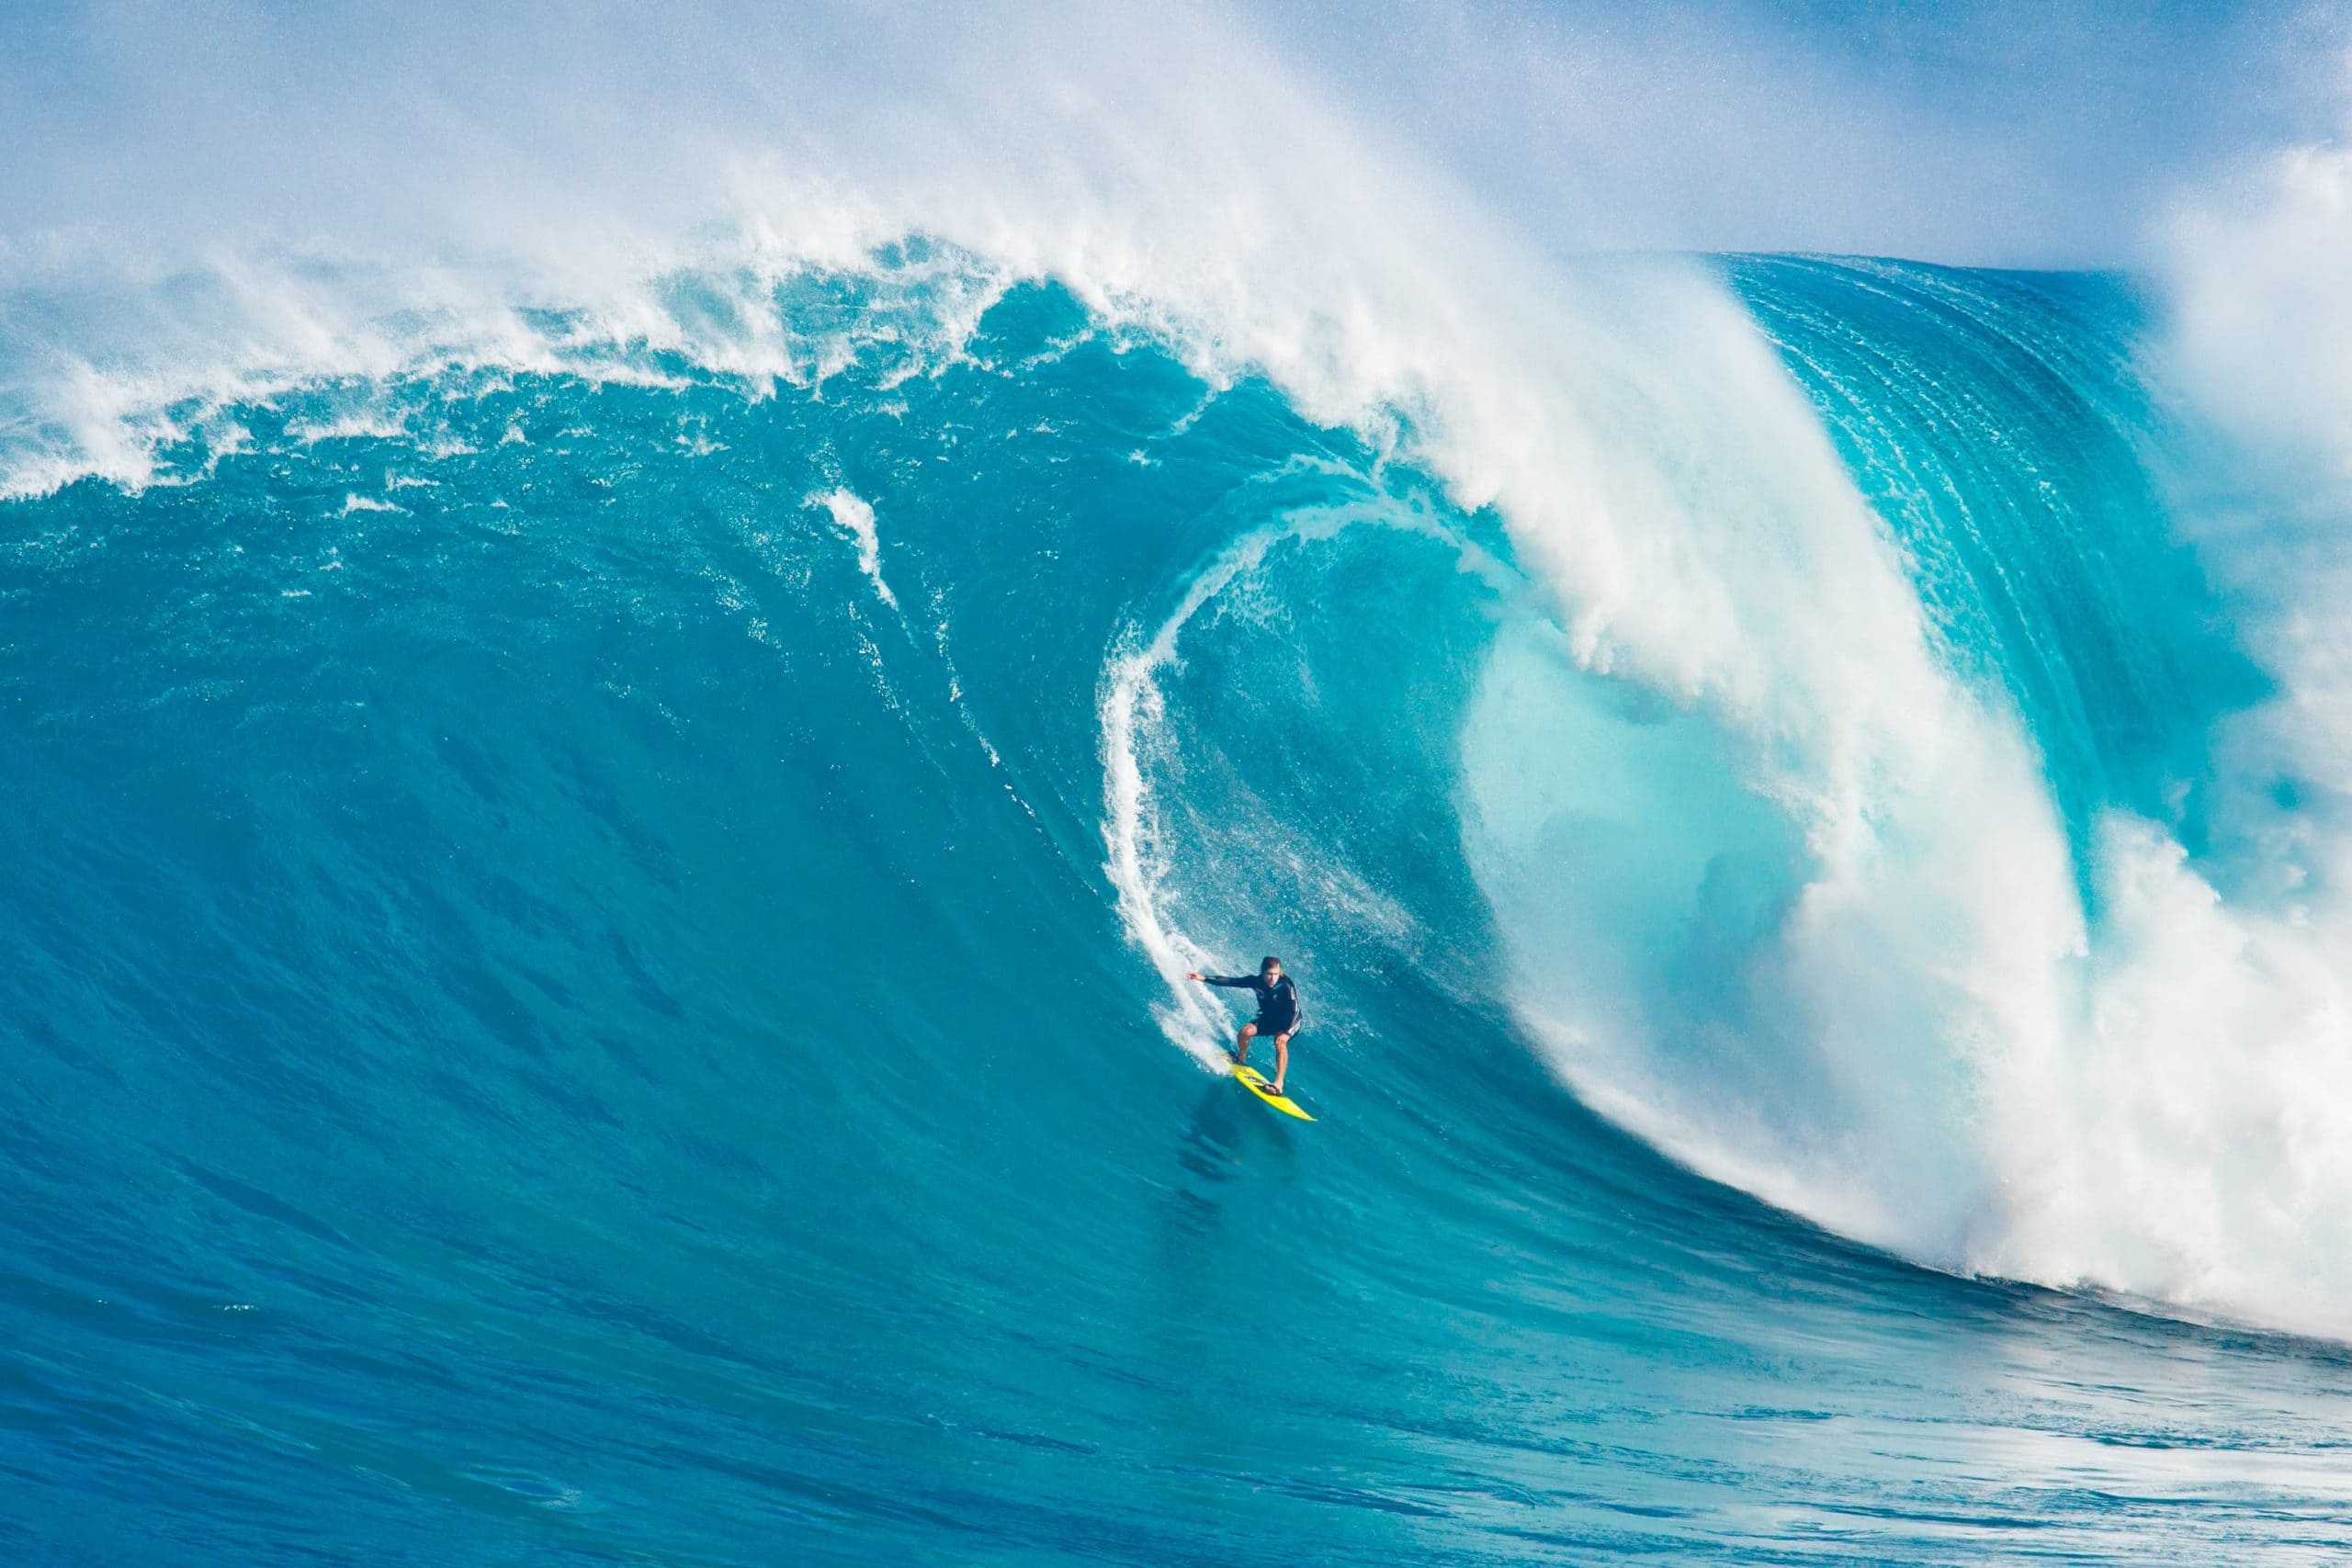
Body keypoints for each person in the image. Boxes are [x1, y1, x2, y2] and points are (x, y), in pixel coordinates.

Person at [1186, 956, 1303, 1095]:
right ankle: (1240, 1058)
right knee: (1244, 1032)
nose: (1273, 978)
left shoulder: (1286, 985)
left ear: (1280, 973)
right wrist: (1204, 978)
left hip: (1288, 1023)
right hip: (1269, 1020)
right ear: (1262, 973)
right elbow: (1232, 981)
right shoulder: (1256, 981)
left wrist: (1287, 1033)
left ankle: (1278, 1084)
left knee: (1280, 1043)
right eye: (1269, 975)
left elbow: (1296, 1012)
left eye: (1276, 974)